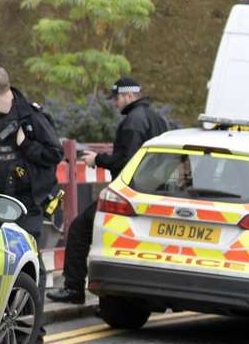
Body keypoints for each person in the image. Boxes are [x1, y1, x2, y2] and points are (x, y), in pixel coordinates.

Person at [48, 76, 173, 304]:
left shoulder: (133, 122)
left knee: (79, 229)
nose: (114, 103)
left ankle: (73, 288)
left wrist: (98, 159)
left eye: (116, 98)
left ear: (127, 95)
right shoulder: (158, 120)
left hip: (128, 194)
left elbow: (127, 162)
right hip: (153, 194)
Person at [0, 64, 62, 344]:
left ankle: (32, 336)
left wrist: (26, 146)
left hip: (28, 206)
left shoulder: (30, 117)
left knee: (30, 268)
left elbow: (55, 155)